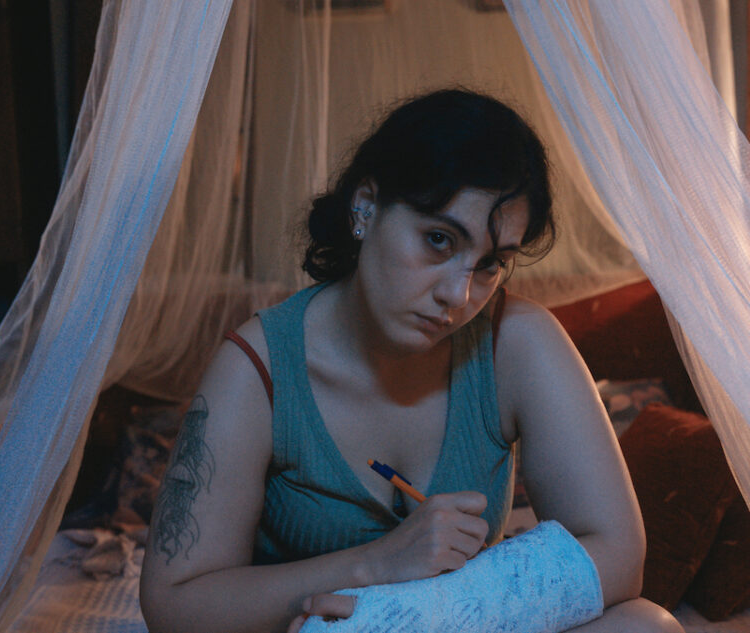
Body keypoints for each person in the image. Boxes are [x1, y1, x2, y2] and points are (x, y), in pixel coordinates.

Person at [139, 89, 683, 633]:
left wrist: (438, 608)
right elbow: (173, 606)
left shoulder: (516, 341)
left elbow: (618, 556)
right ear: (365, 207)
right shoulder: (257, 369)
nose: (459, 295)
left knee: (646, 626)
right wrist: (376, 565)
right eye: (439, 240)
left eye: (490, 264)